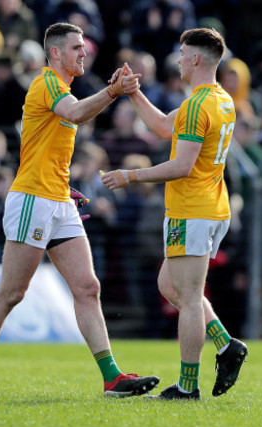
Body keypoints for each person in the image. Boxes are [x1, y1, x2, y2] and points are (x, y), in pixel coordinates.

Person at [0, 22, 159, 397]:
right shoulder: (48, 81)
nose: (84, 53)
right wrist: (113, 91)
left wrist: (64, 186)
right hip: (33, 199)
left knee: (88, 287)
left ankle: (112, 377)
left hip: (57, 200)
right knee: (12, 292)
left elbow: (55, 137)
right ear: (55, 53)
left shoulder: (61, 87)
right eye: (76, 48)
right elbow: (76, 113)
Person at [101, 28, 248, 400]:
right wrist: (134, 93)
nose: (179, 59)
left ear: (196, 59)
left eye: (182, 54)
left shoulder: (200, 104)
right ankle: (227, 346)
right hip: (207, 205)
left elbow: (181, 165)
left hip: (193, 209)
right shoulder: (217, 98)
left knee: (189, 293)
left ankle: (187, 386)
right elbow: (165, 127)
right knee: (171, 287)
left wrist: (130, 176)